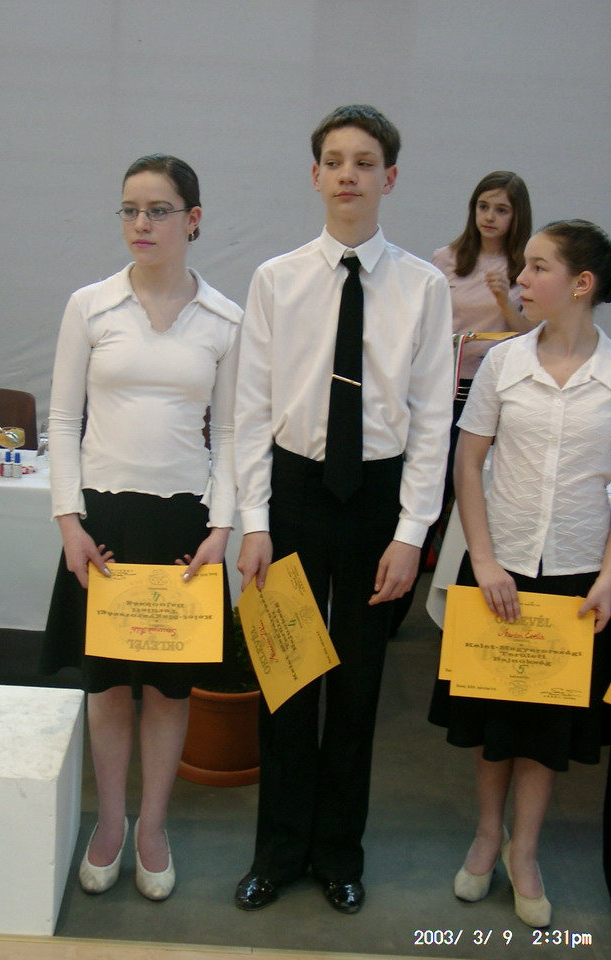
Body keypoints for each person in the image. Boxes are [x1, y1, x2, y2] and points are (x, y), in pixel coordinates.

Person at [233, 104, 453, 914]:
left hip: (377, 503)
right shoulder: (277, 279)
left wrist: (411, 534)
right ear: (315, 175)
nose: (348, 175)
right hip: (293, 495)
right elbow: (251, 411)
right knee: (286, 681)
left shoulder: (424, 288)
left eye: (365, 162)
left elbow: (432, 420)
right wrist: (256, 522)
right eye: (334, 161)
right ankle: (277, 852)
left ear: (389, 178)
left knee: (358, 691)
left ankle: (337, 854)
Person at [41, 154, 241, 901]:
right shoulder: (89, 306)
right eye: (129, 209)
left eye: (158, 210)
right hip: (104, 521)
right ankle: (109, 822)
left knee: (166, 687)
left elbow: (235, 432)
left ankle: (152, 826)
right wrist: (69, 521)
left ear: (193, 219)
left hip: (185, 525)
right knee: (106, 687)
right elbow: (64, 420)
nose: (141, 223)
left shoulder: (225, 319)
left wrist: (222, 527)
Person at [429, 219, 611, 927]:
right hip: (498, 569)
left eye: (538, 268)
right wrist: (482, 558)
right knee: (493, 718)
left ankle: (524, 850)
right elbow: (469, 461)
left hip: (575, 578)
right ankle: (486, 836)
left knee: (545, 725)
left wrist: (609, 574)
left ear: (581, 283)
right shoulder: (504, 362)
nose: (521, 279)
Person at [392, 171, 533, 635]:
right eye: (483, 207)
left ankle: (473, 614)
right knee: (422, 494)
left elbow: (530, 337)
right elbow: (424, 323)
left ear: (517, 217)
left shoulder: (524, 268)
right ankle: (391, 608)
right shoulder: (447, 259)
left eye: (502, 210)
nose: (490, 217)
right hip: (440, 389)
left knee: (476, 499)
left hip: (491, 395)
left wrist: (503, 299)